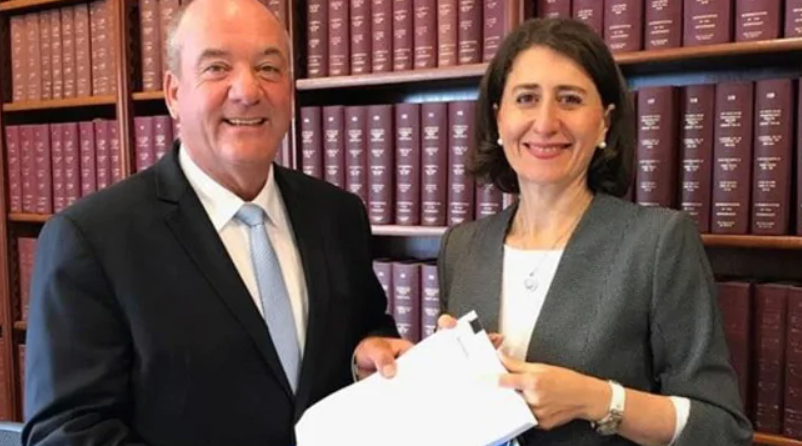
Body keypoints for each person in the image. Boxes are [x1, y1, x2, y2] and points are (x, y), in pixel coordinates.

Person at [22, 0, 410, 445]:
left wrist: (368, 356)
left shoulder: (338, 215)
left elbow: (368, 329)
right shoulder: (91, 239)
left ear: (290, 88)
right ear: (173, 93)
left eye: (268, 67)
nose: (247, 90)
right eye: (216, 67)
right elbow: (67, 434)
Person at [437, 17, 752, 446]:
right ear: (498, 118)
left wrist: (599, 400)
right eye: (526, 98)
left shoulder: (657, 242)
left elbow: (722, 429)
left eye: (569, 99)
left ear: (604, 121)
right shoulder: (462, 246)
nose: (545, 123)